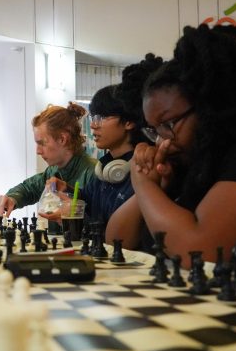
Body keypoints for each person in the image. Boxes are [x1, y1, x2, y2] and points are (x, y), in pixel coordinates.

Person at [107, 24, 236, 276]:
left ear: (209, 106)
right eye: (154, 130)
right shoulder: (191, 164)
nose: (161, 141)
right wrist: (152, 186)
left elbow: (199, 253)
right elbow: (115, 243)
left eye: (168, 124)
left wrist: (145, 186)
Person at [42, 54, 163, 226]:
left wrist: (72, 218)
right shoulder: (105, 168)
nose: (93, 126)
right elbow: (89, 202)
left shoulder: (142, 168)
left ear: (128, 121)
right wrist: (67, 189)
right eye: (93, 117)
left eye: (102, 117)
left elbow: (117, 234)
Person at [0, 103, 96, 224]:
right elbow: (29, 188)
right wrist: (12, 198)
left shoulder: (94, 172)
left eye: (42, 143)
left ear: (62, 139)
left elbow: (102, 224)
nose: (38, 151)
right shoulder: (53, 171)